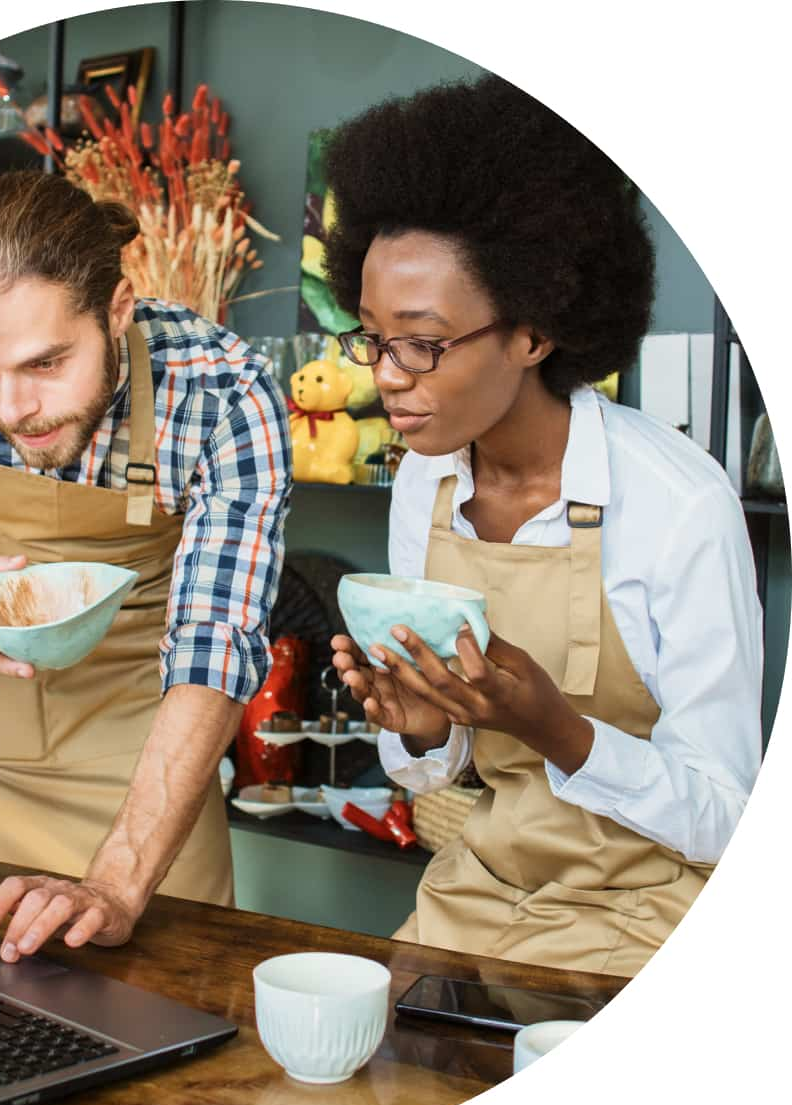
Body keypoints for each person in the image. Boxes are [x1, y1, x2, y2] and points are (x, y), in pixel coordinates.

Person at [326, 75, 762, 975]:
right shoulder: (425, 483)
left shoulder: (681, 507)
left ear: (531, 332)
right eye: (370, 336)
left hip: (646, 922)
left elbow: (729, 816)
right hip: (475, 895)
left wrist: (557, 729)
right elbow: (434, 775)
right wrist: (419, 727)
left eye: (422, 341)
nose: (388, 376)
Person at [0, 171, 291, 960]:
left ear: (117, 309)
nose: (12, 407)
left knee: (155, 1022)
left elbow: (215, 645)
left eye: (46, 363)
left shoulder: (223, 393)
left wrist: (115, 883)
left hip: (143, 767)